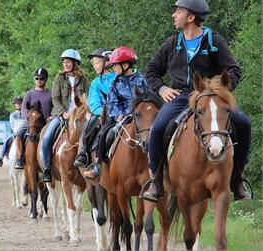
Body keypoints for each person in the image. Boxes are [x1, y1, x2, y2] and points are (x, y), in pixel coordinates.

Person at [142, 0, 251, 202]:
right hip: (181, 96)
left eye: (178, 11)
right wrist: (162, 88)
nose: (174, 15)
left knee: (244, 123)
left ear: (190, 17)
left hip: (210, 98)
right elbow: (151, 70)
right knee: (157, 129)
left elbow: (234, 70)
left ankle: (237, 180)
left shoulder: (214, 42)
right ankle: (156, 182)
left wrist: (219, 90)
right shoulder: (172, 43)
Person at [83, 45, 152, 180]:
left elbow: (150, 97)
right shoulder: (115, 83)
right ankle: (97, 163)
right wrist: (119, 114)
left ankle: (165, 164)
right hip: (122, 117)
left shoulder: (142, 79)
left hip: (142, 116)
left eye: (115, 65)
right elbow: (112, 103)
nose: (113, 67)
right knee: (106, 134)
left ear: (125, 65)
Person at [41, 49, 89, 182]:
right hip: (62, 115)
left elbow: (87, 97)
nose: (66, 64)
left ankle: (91, 166)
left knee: (91, 135)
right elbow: (55, 98)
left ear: (75, 63)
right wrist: (63, 112)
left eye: (68, 62)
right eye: (64, 62)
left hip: (80, 115)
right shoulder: (59, 78)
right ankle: (46, 168)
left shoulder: (83, 79)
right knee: (46, 138)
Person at [74, 48, 116, 169]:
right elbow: (93, 102)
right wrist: (101, 111)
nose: (94, 66)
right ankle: (84, 154)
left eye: (96, 62)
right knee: (88, 127)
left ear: (107, 62)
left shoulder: (118, 78)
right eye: (93, 64)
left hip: (120, 112)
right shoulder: (96, 83)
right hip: (102, 113)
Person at [13, 67, 53, 169]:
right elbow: (23, 108)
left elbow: (55, 107)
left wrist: (52, 116)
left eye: (41, 78)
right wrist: (28, 116)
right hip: (30, 122)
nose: (39, 81)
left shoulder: (51, 94)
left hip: (46, 122)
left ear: (46, 79)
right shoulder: (29, 93)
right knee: (17, 135)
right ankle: (20, 158)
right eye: (37, 78)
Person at [0, 96, 25, 167]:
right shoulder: (12, 115)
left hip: (25, 132)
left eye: (20, 103)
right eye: (17, 104)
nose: (19, 105)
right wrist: (17, 132)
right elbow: (12, 126)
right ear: (14, 105)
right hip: (16, 132)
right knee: (7, 141)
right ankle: (1, 158)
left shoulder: (25, 114)